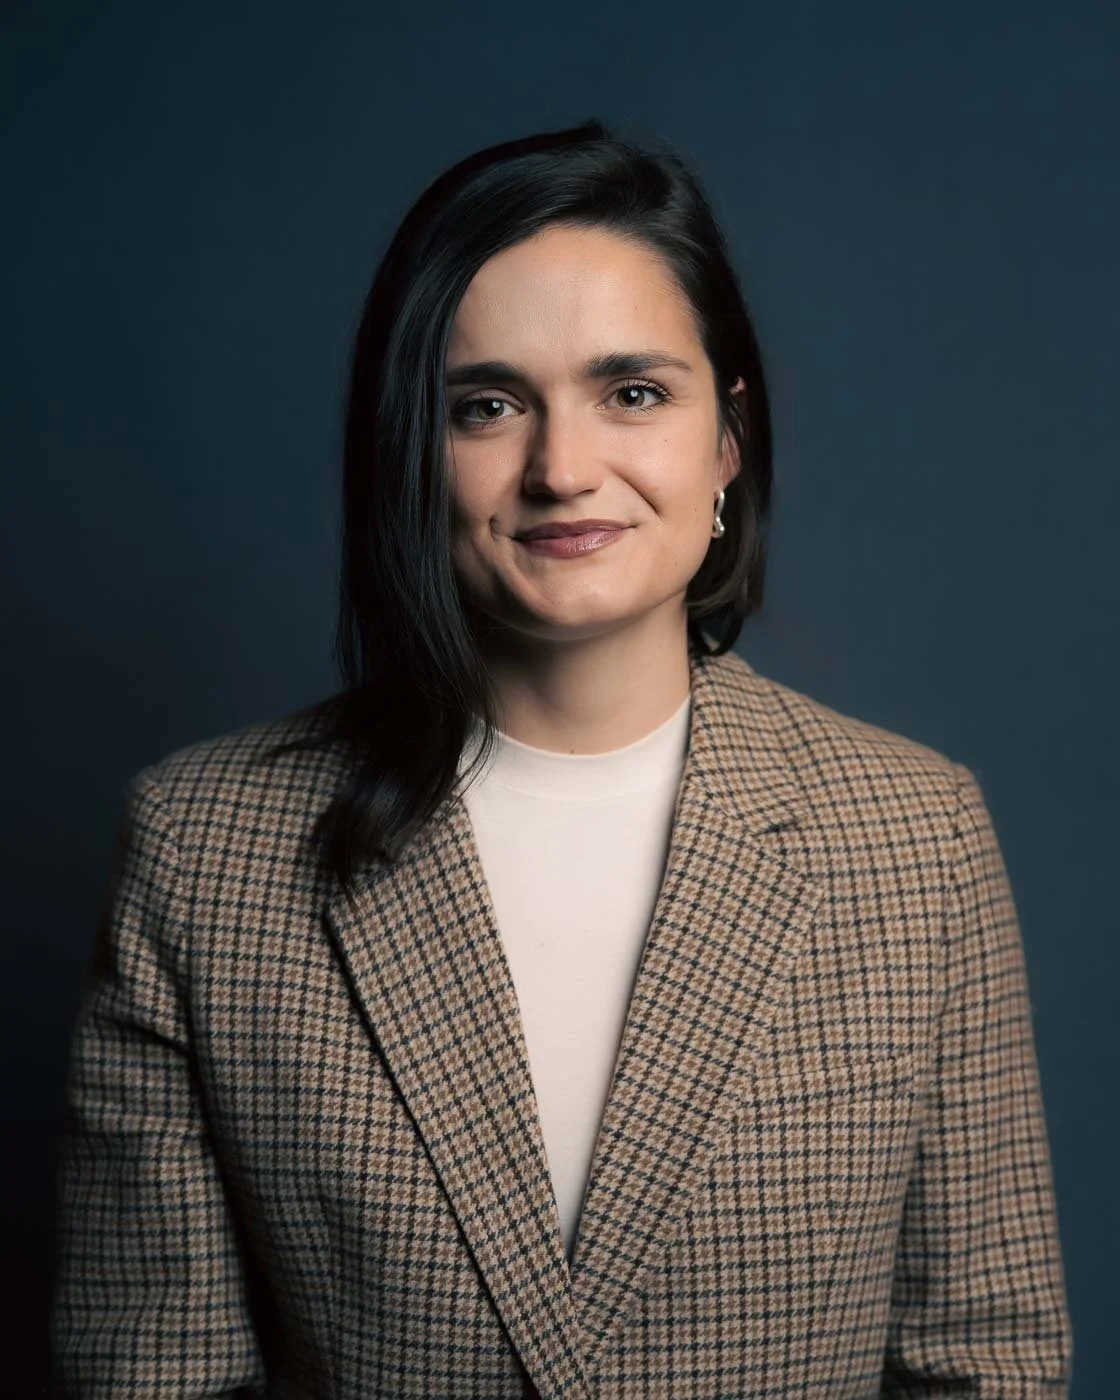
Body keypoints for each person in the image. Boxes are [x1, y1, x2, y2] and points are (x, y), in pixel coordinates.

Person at [50, 120, 1073, 1399]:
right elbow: (148, 1375)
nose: (562, 468)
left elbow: (986, 1360)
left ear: (726, 441)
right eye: (487, 404)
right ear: (408, 453)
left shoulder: (913, 835)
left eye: (632, 391)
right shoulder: (207, 848)